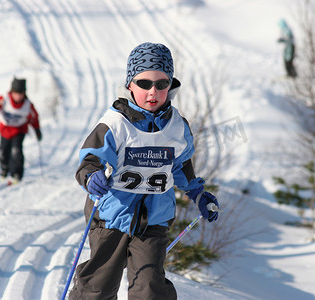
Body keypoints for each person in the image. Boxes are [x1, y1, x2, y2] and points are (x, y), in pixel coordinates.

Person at [70, 42, 220, 300]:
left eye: (162, 84)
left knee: (149, 286)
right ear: (130, 84)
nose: (153, 91)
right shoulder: (115, 124)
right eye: (144, 83)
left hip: (154, 220)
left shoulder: (177, 127)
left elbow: (181, 166)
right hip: (111, 216)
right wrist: (92, 177)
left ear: (170, 85)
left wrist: (198, 194)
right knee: (98, 286)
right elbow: (89, 161)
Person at [0, 77, 42, 183]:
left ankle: (17, 174)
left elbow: (34, 118)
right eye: (16, 93)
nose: (18, 96)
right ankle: (4, 170)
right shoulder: (3, 100)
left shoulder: (27, 105)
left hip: (19, 130)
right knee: (3, 151)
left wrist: (37, 130)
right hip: (5, 130)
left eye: (21, 93)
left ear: (24, 93)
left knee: (16, 151)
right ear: (11, 92)